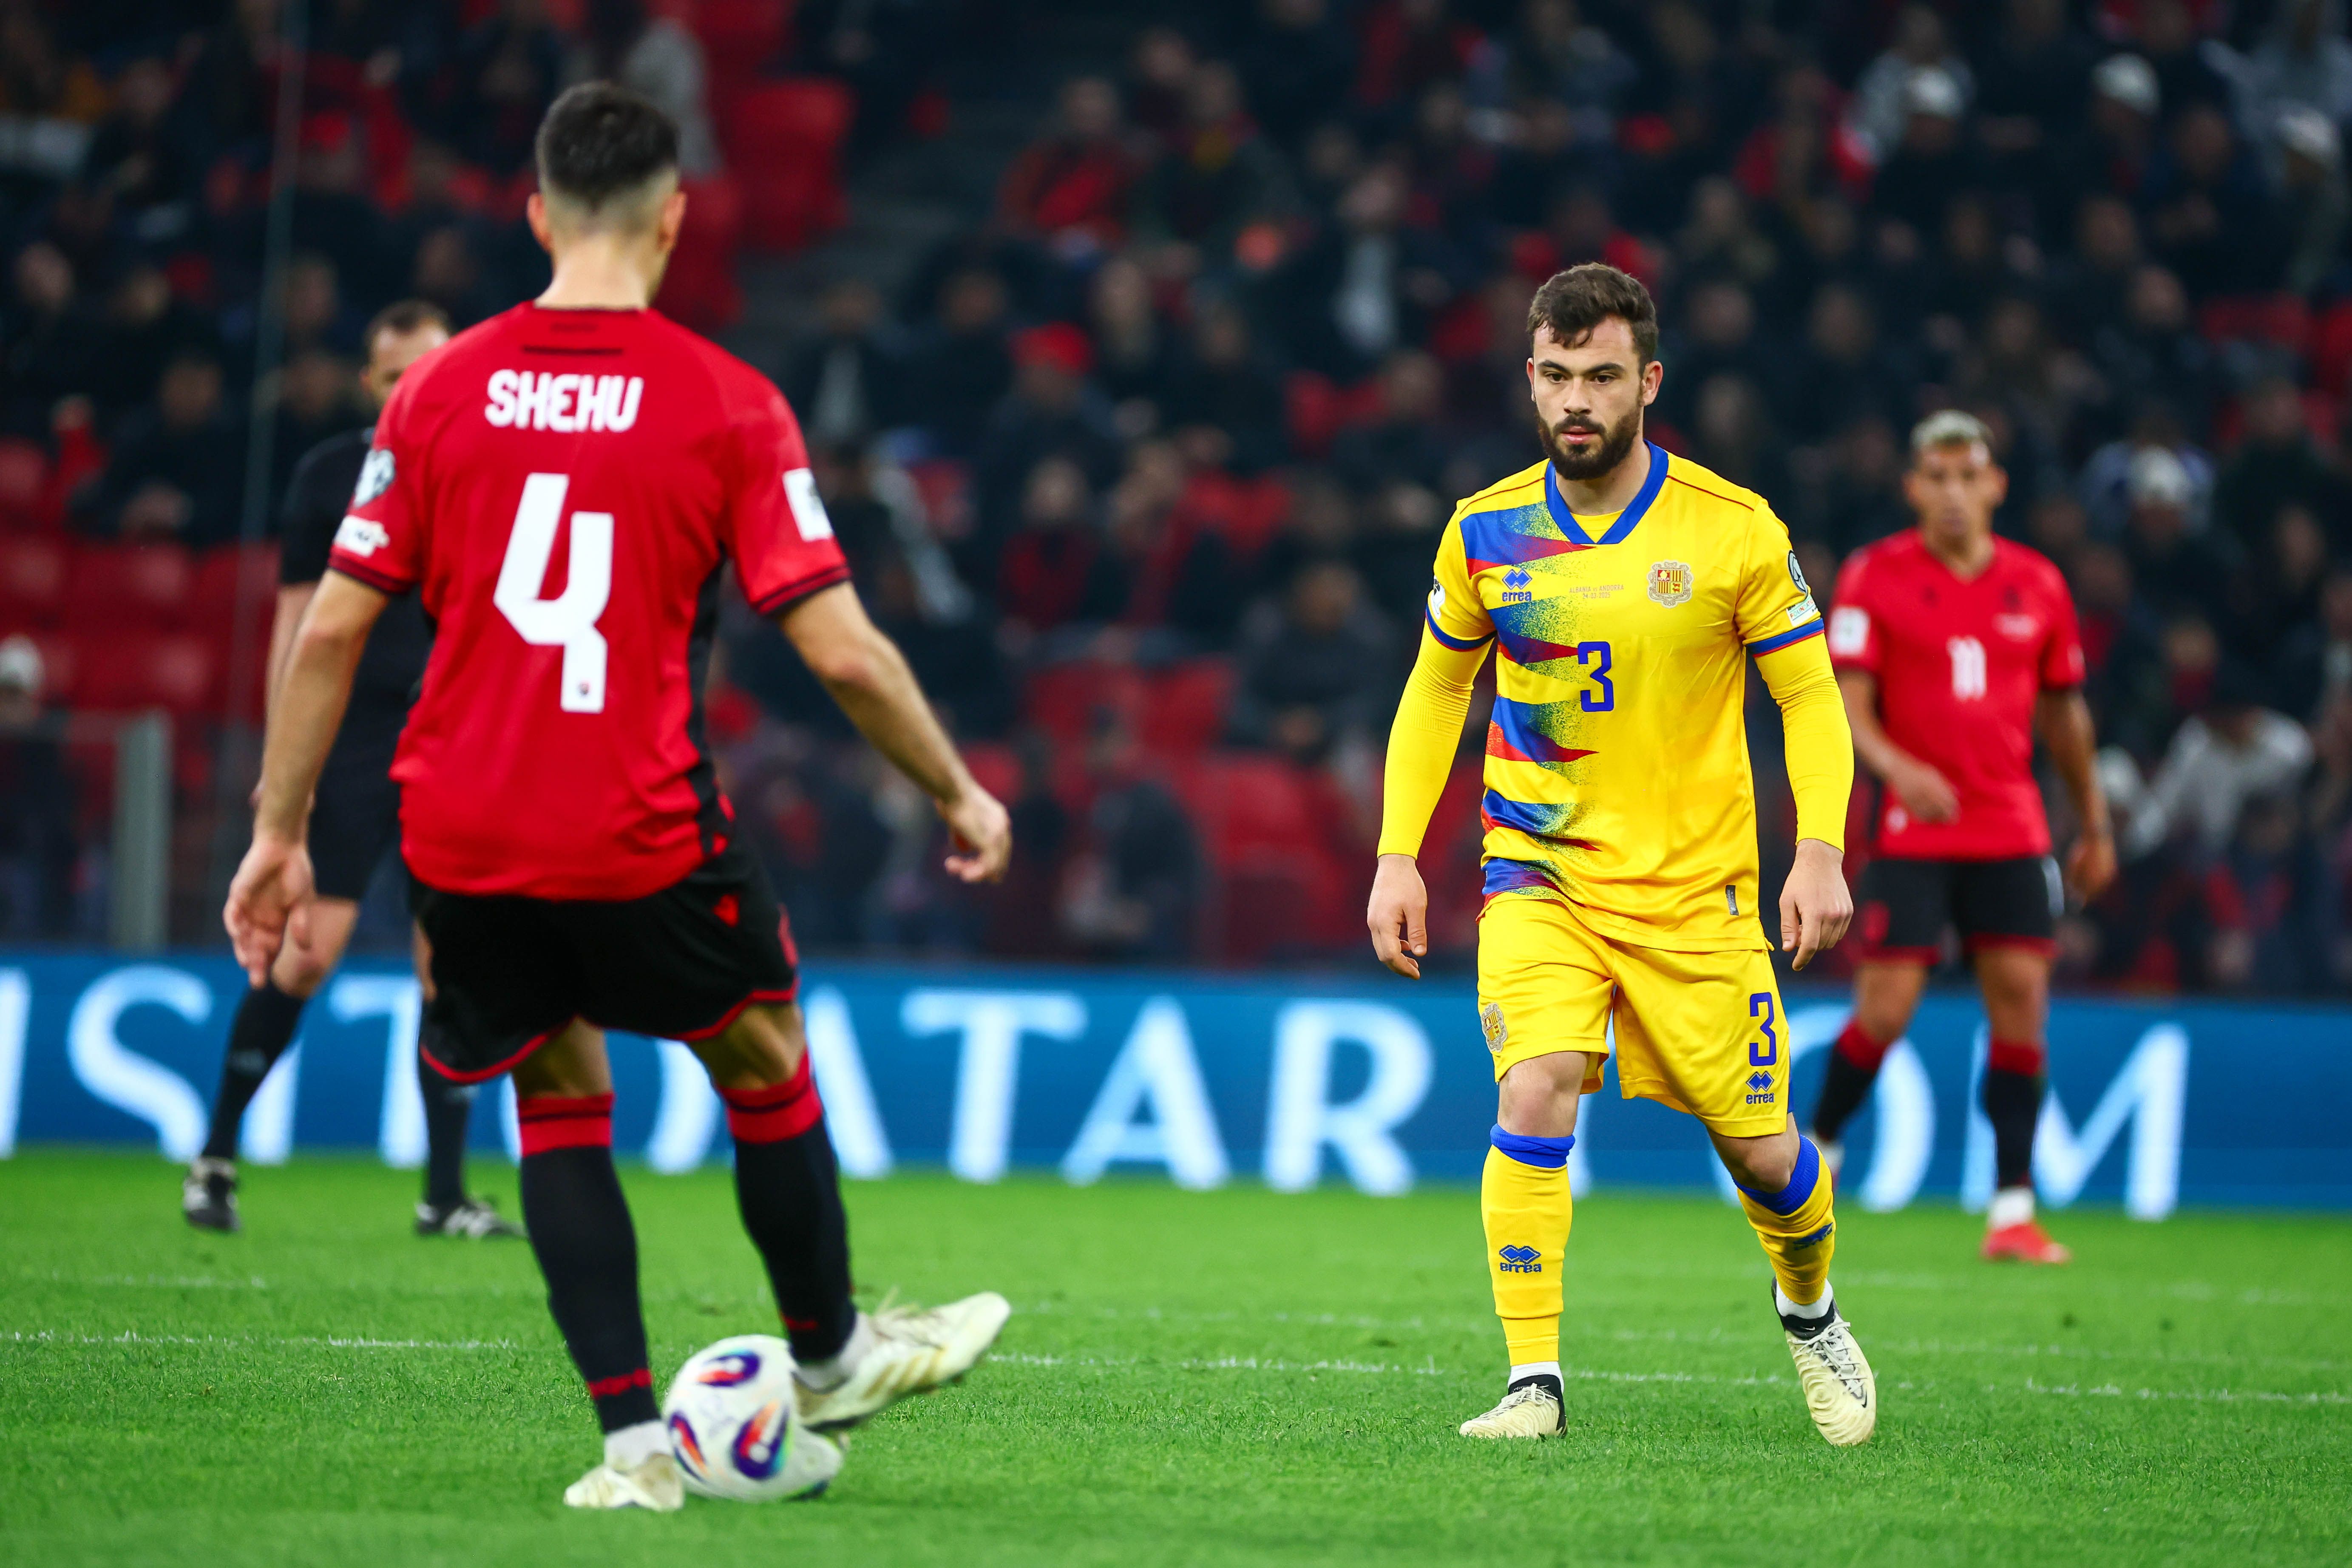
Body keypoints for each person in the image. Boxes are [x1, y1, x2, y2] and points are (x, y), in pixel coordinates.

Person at [223, 84, 1015, 1512]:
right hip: (633, 823)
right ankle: (831, 1354)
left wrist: (278, 832)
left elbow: (330, 632)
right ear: (673, 218)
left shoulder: (436, 391)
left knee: (555, 1088)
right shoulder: (725, 399)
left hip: (458, 830)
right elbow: (839, 649)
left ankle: (634, 1450)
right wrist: (954, 789)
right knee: (762, 1052)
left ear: (536, 214)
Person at [1368, 264, 1870, 1446]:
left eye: (1600, 377)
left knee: (1763, 1153)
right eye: (1555, 376)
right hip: (1537, 867)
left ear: (1647, 381)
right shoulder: (1485, 529)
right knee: (1533, 1081)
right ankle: (1531, 1383)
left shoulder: (1731, 528)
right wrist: (1397, 855)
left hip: (1697, 889)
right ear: (1528, 379)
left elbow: (1808, 696)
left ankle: (1808, 1310)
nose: (1575, 401)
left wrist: (1819, 851)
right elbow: (1437, 689)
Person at [184, 301, 524, 1239]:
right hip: (352, 740)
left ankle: (444, 1194)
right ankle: (215, 1158)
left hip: (453, 738)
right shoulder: (332, 475)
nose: (417, 385)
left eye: (434, 367)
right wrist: (282, 756)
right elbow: (299, 620)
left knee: (449, 965)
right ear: (371, 384)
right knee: (306, 952)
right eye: (398, 372)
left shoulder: (498, 469)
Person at [1810, 411, 2117, 1265]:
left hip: (2010, 826)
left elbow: (2065, 715)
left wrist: (2093, 822)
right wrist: (1897, 768)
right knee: (1885, 1011)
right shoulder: (1874, 575)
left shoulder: (2038, 583)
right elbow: (1845, 704)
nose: (1953, 493)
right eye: (1936, 478)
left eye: (1967, 476)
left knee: (2020, 1005)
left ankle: (2012, 1210)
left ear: (1995, 485)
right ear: (1912, 487)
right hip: (1911, 830)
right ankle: (1818, 1155)